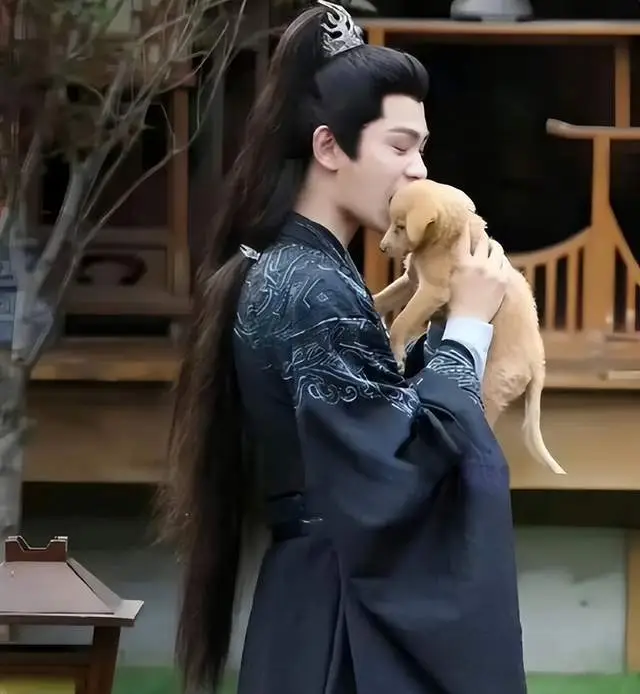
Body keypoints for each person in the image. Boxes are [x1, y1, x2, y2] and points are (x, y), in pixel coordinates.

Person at [160, 2, 528, 693]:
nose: (419, 170)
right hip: (343, 608)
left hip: (318, 592)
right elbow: (396, 468)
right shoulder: (310, 287)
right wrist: (468, 328)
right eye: (400, 147)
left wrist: (438, 322)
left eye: (422, 148)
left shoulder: (298, 269)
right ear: (329, 148)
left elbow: (378, 414)